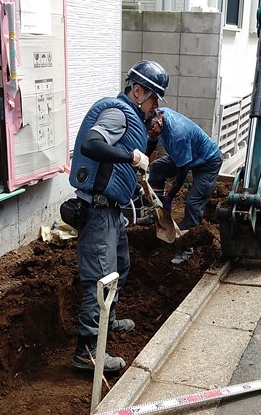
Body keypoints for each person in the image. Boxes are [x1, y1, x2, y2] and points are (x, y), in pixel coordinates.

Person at [68, 60, 169, 373]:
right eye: (153, 98)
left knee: (120, 267)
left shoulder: (134, 119)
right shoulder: (117, 113)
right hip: (97, 211)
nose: (154, 106)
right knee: (99, 279)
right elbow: (92, 144)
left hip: (112, 211)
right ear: (137, 91)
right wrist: (131, 156)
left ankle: (107, 322)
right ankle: (86, 353)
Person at [139, 108, 223, 262]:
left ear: (159, 119)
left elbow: (182, 172)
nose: (150, 133)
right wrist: (140, 162)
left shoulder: (178, 134)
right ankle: (157, 215)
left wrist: (170, 197)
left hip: (207, 161)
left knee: (193, 202)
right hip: (186, 154)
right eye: (147, 131)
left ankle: (188, 246)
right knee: (156, 167)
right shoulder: (155, 119)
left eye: (151, 129)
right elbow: (150, 144)